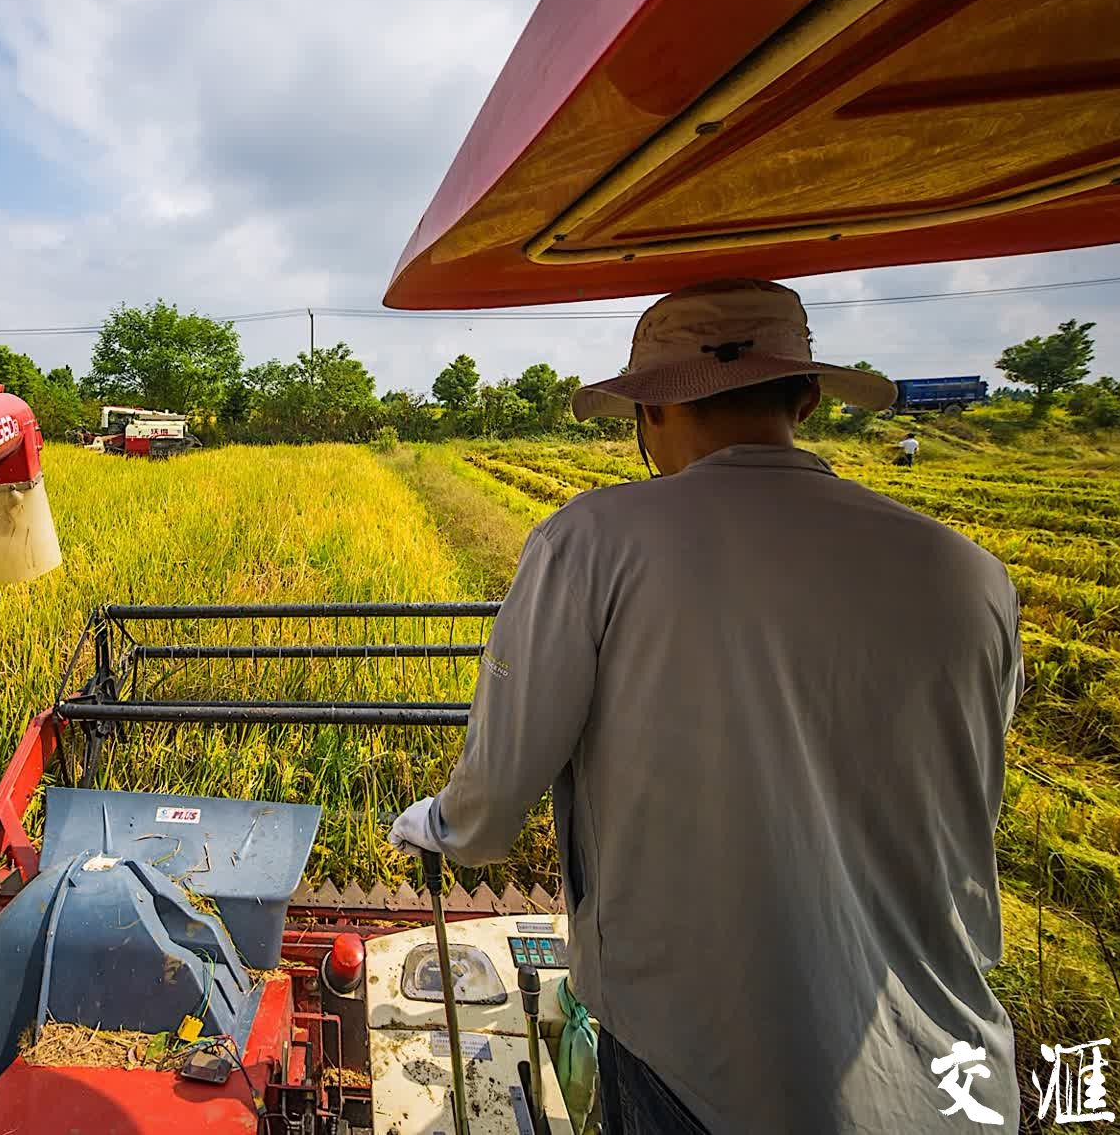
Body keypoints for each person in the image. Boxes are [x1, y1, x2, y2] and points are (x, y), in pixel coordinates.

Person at [390, 278, 1022, 1134]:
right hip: (957, 1070)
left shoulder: (595, 542)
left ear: (650, 412)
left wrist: (441, 825)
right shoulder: (970, 574)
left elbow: (495, 797)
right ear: (805, 398)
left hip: (708, 1067)